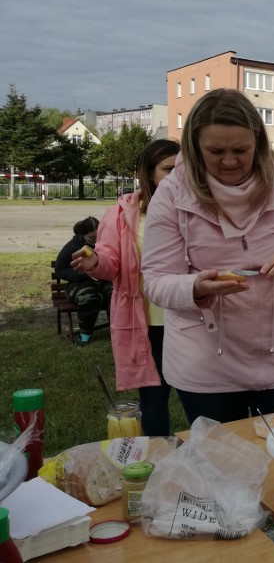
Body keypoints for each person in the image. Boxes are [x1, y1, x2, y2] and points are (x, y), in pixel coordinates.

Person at [141, 89, 274, 563]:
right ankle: (239, 553)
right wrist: (195, 288)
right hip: (204, 360)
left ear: (259, 144)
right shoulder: (173, 191)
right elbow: (156, 280)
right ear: (193, 149)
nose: (229, 161)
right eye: (215, 151)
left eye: (240, 150)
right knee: (221, 477)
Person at [70, 139, 181, 436]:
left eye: (184, 168)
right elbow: (111, 262)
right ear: (149, 172)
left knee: (200, 394)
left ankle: (203, 460)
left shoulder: (196, 209)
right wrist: (94, 262)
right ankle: (158, 461)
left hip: (192, 319)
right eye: (169, 169)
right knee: (154, 399)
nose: (179, 175)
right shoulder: (122, 214)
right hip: (147, 322)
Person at [54, 216, 113, 345]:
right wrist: (81, 274)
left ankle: (115, 332)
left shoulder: (108, 243)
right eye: (91, 238)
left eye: (99, 237)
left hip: (104, 282)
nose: (96, 241)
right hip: (80, 283)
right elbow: (60, 269)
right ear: (82, 235)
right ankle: (85, 334)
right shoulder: (72, 246)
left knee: (115, 295)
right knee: (89, 297)